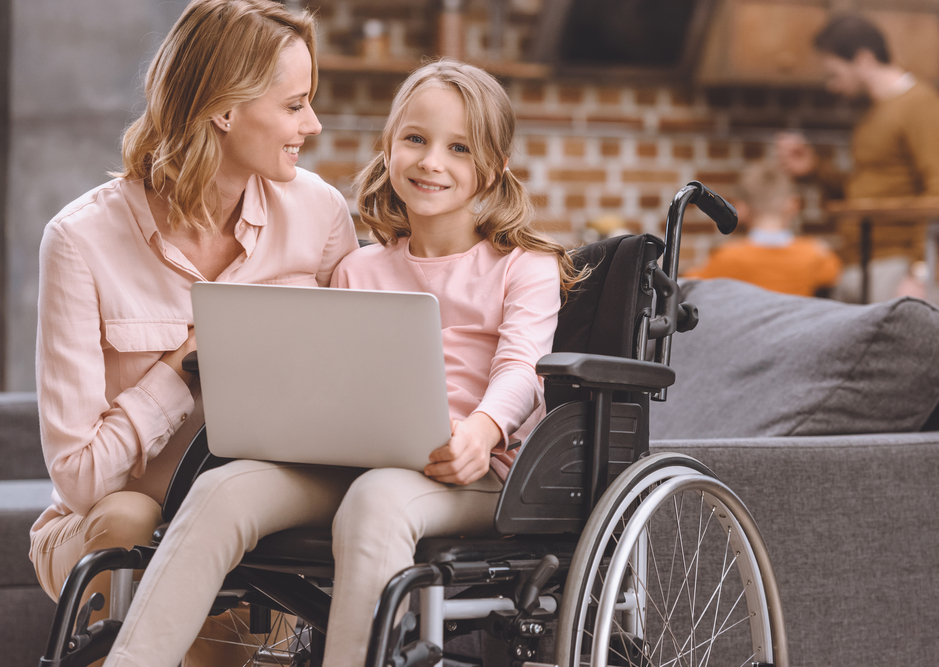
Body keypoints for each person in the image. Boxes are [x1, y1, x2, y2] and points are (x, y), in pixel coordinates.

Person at [103, 58, 583, 667]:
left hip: (474, 471)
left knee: (378, 499)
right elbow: (327, 378)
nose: (432, 161)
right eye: (415, 139)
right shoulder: (360, 268)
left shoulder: (524, 266)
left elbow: (521, 370)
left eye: (459, 148)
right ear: (389, 149)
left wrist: (483, 431)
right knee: (222, 489)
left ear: (495, 168)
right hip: (350, 460)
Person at [30, 1, 358, 664]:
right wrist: (181, 368)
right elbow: (79, 477)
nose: (313, 125)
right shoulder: (80, 241)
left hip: (248, 520)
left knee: (233, 535)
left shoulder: (320, 213)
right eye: (295, 105)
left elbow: (355, 385)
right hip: (103, 523)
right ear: (224, 110)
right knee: (129, 521)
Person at [776, 14, 939, 267]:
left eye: (834, 73)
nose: (832, 85)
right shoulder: (874, 113)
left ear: (864, 59)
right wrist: (815, 169)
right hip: (863, 259)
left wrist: (920, 268)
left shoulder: (923, 106)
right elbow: (866, 191)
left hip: (897, 261)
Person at [686, 161, 841, 297]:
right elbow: (833, 275)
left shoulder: (728, 257)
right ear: (794, 205)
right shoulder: (816, 254)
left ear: (741, 208)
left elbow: (689, 283)